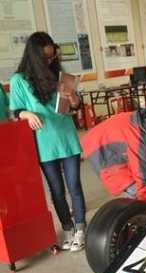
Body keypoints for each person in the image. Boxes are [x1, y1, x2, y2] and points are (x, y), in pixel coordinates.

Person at [9, 32, 87, 251]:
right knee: (56, 190)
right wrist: (26, 114)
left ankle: (81, 228)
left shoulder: (58, 74)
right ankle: (68, 228)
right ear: (34, 57)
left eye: (52, 57)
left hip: (66, 135)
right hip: (43, 141)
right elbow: (15, 111)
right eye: (46, 58)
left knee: (74, 186)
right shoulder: (19, 80)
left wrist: (73, 98)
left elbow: (75, 105)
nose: (50, 61)